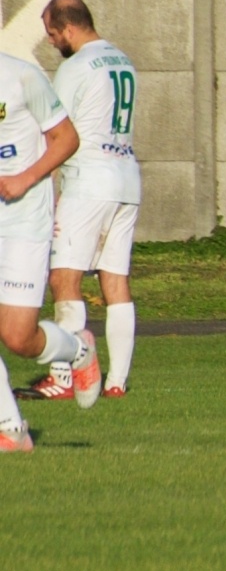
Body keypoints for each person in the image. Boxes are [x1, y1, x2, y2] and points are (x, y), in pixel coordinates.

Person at [31, 0, 140, 400]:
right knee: (116, 281)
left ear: (69, 28)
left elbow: (57, 133)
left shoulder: (75, 67)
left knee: (64, 277)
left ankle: (63, 377)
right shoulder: (122, 60)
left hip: (90, 181)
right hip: (127, 178)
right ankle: (116, 382)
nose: (51, 41)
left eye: (53, 33)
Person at [0, 49, 102, 451]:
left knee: (18, 337)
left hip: (26, 220)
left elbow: (67, 138)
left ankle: (78, 349)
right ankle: (11, 430)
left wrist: (26, 178)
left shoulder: (21, 77)